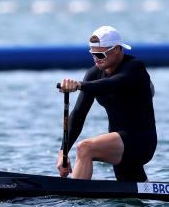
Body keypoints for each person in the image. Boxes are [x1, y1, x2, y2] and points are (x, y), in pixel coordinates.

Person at [57, 26, 157, 182]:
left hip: (140, 141)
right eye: (92, 54)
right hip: (116, 143)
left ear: (116, 49)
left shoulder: (135, 67)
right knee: (132, 198)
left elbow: (111, 84)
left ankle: (74, 201)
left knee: (85, 148)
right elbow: (78, 115)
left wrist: (78, 85)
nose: (96, 58)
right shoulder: (93, 73)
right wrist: (63, 153)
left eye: (100, 54)